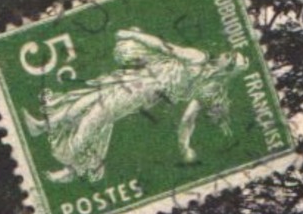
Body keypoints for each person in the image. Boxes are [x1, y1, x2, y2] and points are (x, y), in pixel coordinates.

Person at [23, 29, 248, 183]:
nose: (222, 54)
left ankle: (71, 161)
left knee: (97, 115)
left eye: (228, 57)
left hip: (141, 90)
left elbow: (188, 119)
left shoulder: (203, 77)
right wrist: (134, 36)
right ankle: (44, 128)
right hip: (138, 77)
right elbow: (164, 48)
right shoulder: (200, 64)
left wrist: (184, 146)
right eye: (227, 53)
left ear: (226, 67)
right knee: (89, 98)